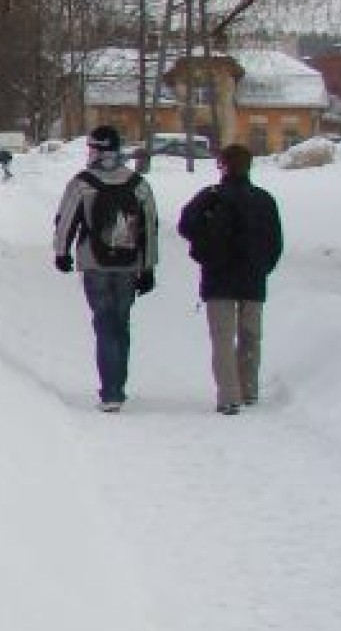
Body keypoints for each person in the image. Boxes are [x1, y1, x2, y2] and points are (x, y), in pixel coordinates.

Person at [53, 124, 159, 412]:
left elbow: (65, 221)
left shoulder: (82, 183)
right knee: (121, 324)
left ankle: (110, 391)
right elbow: (149, 227)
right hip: (128, 265)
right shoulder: (138, 184)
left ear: (95, 150)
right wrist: (148, 267)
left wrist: (61, 253)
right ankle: (118, 386)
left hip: (94, 262)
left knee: (104, 324)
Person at [176, 144, 284, 415]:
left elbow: (185, 226)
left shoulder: (210, 197)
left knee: (222, 339)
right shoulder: (264, 200)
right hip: (253, 278)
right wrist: (263, 267)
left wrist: (203, 253)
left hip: (218, 278)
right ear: (249, 166)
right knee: (251, 337)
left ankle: (228, 396)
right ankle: (249, 389)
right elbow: (275, 242)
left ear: (222, 165)